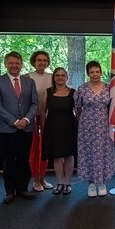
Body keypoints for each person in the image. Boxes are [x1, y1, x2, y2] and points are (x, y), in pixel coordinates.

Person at [0, 51, 39, 204]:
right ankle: (10, 191)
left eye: (17, 63)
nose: (14, 66)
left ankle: (23, 188)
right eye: (11, 63)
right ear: (6, 64)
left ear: (21, 64)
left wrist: (25, 120)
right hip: (7, 128)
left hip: (26, 127)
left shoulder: (29, 82)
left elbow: (35, 104)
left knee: (24, 159)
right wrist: (14, 121)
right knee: (9, 160)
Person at [75, 61, 115, 197]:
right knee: (89, 154)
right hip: (87, 128)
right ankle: (91, 184)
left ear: (101, 72)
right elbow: (78, 109)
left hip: (104, 127)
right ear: (88, 73)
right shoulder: (81, 89)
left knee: (103, 153)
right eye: (92, 72)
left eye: (97, 71)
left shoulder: (108, 88)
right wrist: (86, 121)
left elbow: (113, 106)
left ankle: (102, 183)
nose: (95, 74)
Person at [41, 67, 77, 195]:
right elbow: (43, 111)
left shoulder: (74, 92)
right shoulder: (47, 92)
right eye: (57, 75)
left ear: (67, 77)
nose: (60, 77)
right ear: (54, 77)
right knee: (57, 156)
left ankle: (68, 183)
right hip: (52, 127)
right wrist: (43, 128)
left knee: (68, 155)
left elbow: (78, 112)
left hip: (69, 127)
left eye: (63, 75)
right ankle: (59, 183)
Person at [26, 51, 54, 192]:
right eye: (39, 60)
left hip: (47, 117)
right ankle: (35, 179)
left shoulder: (51, 77)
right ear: (34, 61)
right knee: (33, 149)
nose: (42, 62)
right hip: (31, 117)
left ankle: (42, 177)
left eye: (44, 60)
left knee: (44, 149)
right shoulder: (27, 77)